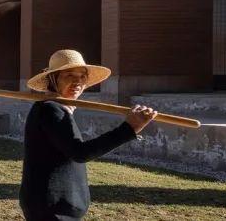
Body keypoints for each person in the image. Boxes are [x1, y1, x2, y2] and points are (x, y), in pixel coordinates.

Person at [19, 49, 157, 221]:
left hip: (53, 207)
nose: (77, 81)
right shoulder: (50, 109)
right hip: (51, 209)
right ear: (53, 79)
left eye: (82, 76)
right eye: (69, 75)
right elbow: (80, 152)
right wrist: (129, 128)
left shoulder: (57, 108)